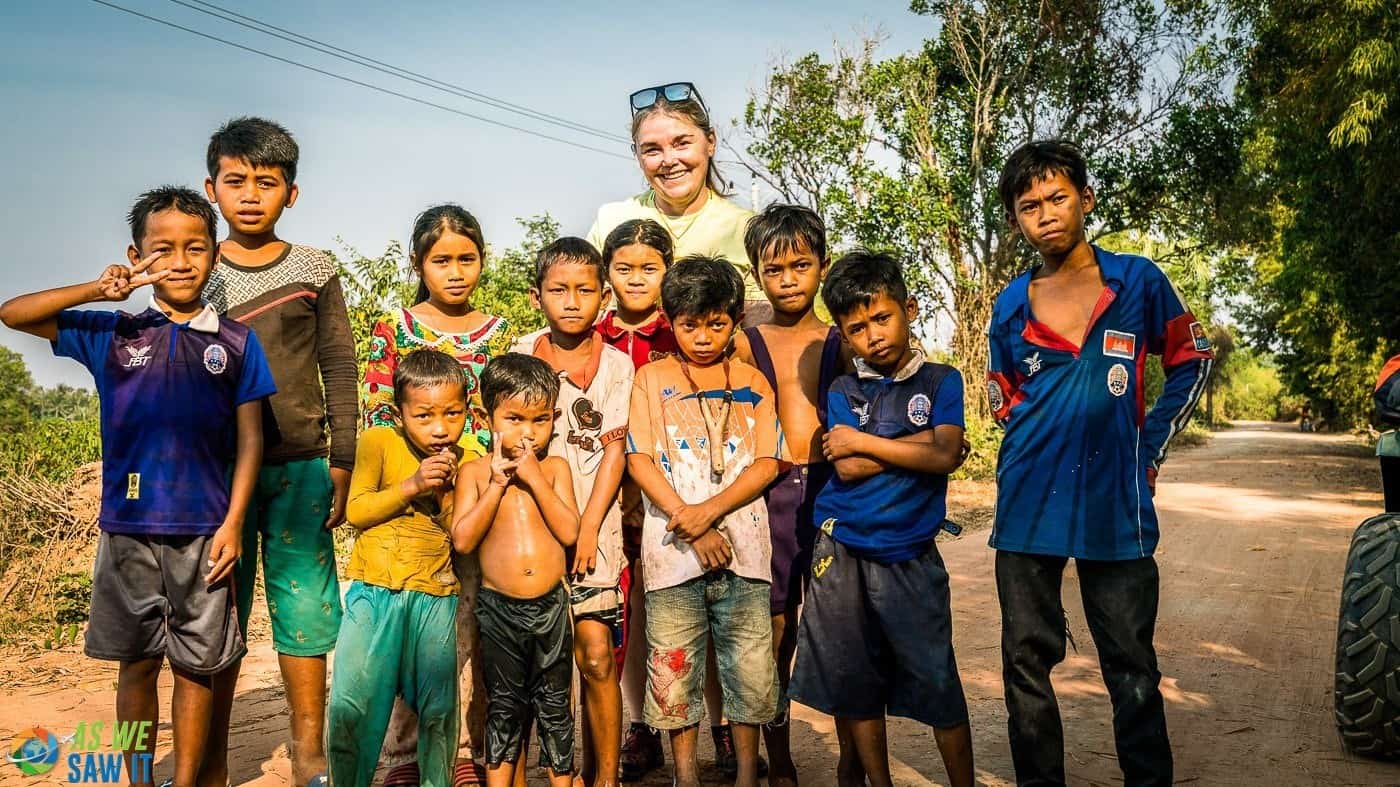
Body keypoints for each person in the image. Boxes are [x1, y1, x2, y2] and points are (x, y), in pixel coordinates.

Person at [0, 186, 276, 787]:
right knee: (136, 666)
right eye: (162, 250)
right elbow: (12, 311)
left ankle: (186, 781)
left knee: (198, 669)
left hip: (206, 534)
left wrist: (232, 523)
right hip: (127, 532)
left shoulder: (234, 342)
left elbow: (251, 440)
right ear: (136, 254)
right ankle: (138, 779)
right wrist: (100, 289)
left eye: (195, 248)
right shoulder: (113, 334)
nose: (180, 261)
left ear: (214, 255)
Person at [986, 140, 1214, 786]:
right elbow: (1002, 394)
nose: (1046, 214)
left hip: (1116, 504)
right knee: (1025, 664)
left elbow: (1192, 360)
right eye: (1029, 206)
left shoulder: (1137, 281)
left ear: (1086, 199)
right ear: (1016, 220)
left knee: (1131, 664)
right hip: (1027, 505)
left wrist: (1149, 448)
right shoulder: (1008, 304)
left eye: (1058, 197)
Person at [201, 116, 354, 787]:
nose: (251, 194)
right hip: (216, 474)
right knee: (217, 611)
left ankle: (309, 751)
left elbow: (339, 364)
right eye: (236, 181)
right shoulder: (196, 271)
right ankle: (209, 751)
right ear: (212, 189)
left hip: (300, 466)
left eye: (267, 182)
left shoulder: (313, 268)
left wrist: (342, 457)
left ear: (291, 192)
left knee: (305, 611)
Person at [788, 251, 975, 787]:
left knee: (936, 674)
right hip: (842, 549)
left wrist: (870, 441)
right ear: (845, 338)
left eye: (882, 318)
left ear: (909, 309)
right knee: (854, 678)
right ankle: (878, 781)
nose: (873, 335)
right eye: (858, 328)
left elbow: (944, 455)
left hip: (911, 553)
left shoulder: (942, 381)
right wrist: (930, 443)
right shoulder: (844, 390)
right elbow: (845, 468)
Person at [362, 205, 508, 787]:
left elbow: (498, 415)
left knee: (467, 626)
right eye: (441, 260)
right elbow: (377, 410)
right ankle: (403, 753)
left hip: (473, 502)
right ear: (419, 263)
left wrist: (472, 475)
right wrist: (417, 473)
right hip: (411, 503)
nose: (455, 271)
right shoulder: (393, 329)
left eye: (466, 259)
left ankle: (465, 752)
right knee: (411, 628)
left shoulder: (497, 333)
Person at [625, 255, 781, 787]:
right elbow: (638, 458)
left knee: (750, 671)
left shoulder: (755, 382)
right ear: (670, 320)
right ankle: (684, 776)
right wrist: (685, 519)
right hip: (671, 556)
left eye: (717, 323)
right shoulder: (651, 378)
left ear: (736, 318)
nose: (703, 336)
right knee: (673, 668)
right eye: (689, 324)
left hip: (746, 550)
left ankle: (742, 776)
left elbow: (768, 462)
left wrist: (706, 515)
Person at [731, 204, 848, 787]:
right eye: (774, 270)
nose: (789, 280)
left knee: (835, 625)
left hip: (830, 491)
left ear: (822, 267)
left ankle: (855, 755)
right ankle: (779, 759)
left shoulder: (839, 339)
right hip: (769, 494)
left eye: (801, 265)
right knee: (774, 629)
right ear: (757, 274)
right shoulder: (747, 343)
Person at [510, 238, 633, 787]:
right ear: (538, 296)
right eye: (559, 290)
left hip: (596, 531)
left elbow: (613, 451)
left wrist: (587, 528)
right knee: (534, 665)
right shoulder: (518, 354)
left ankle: (603, 775)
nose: (572, 301)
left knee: (597, 655)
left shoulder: (618, 366)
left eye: (585, 290)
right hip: (530, 531)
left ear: (603, 298)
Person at [327, 350, 474, 787]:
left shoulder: (470, 457)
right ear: (399, 413)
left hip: (436, 594)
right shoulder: (378, 442)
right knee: (352, 702)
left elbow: (461, 534)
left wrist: (445, 494)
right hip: (374, 591)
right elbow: (356, 510)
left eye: (453, 413)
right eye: (424, 415)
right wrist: (411, 486)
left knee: (438, 708)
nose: (441, 428)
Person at [452, 353, 580, 787]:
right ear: (485, 416)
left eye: (540, 421)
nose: (528, 433)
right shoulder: (473, 473)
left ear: (555, 419)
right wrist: (497, 484)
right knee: (504, 706)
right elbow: (463, 539)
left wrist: (536, 480)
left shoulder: (555, 469)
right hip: (499, 611)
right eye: (514, 418)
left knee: (556, 706)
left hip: (551, 609)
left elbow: (568, 531)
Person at [594, 219, 677, 781]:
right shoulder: (589, 331)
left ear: (667, 271)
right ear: (607, 274)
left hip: (670, 493)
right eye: (624, 269)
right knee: (622, 613)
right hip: (606, 498)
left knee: (671, 611)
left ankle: (700, 726)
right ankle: (636, 728)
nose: (637, 279)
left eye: (650, 268)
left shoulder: (683, 330)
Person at [587, 81, 769, 332]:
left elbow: (760, 335)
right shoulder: (611, 219)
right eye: (652, 150)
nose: (669, 161)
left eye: (682, 143)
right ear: (637, 156)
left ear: (710, 142)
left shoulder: (745, 229)